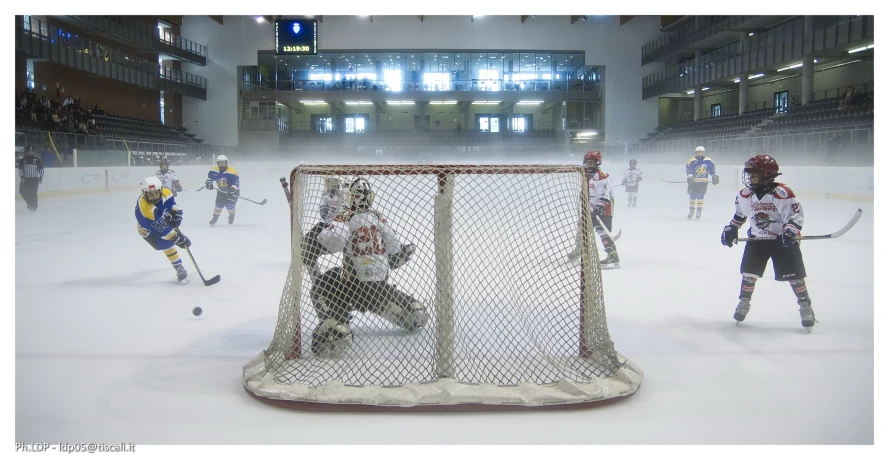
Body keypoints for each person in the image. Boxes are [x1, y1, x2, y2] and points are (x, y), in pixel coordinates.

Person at [300, 177, 427, 359]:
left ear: (351, 197)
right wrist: (399, 254)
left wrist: (315, 240)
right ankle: (410, 310)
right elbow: (393, 248)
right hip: (379, 286)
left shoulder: (346, 216)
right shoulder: (378, 217)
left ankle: (336, 327)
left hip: (354, 285)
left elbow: (333, 242)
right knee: (377, 292)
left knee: (324, 285)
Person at [720, 155, 816, 331]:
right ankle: (744, 302)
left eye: (754, 174)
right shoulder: (745, 195)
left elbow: (794, 218)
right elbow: (740, 215)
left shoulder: (781, 193)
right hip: (757, 240)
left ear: (766, 174)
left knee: (795, 277)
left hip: (782, 242)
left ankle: (805, 306)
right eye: (749, 174)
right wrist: (732, 228)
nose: (750, 178)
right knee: (748, 274)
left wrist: (789, 232)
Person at [135, 177, 191, 284]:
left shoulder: (166, 192)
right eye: (150, 194)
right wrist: (177, 238)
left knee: (167, 243)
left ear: (160, 190)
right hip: (147, 230)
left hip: (159, 218)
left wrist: (174, 213)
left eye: (156, 193)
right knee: (166, 243)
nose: (154, 196)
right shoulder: (146, 210)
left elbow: (171, 203)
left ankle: (178, 266)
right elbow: (162, 230)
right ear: (144, 193)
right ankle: (178, 266)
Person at [568, 151, 619, 268]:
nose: (589, 164)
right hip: (590, 208)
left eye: (591, 162)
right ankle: (578, 249)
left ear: (597, 162)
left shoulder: (601, 176)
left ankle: (613, 255)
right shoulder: (586, 174)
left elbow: (606, 195)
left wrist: (598, 206)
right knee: (582, 227)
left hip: (604, 209)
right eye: (587, 162)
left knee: (602, 232)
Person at [686, 146, 719, 220]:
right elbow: (689, 170)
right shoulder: (691, 160)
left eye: (700, 152)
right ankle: (691, 210)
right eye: (697, 152)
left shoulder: (708, 160)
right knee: (692, 196)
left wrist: (714, 175)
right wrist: (690, 176)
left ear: (703, 153)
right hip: (694, 182)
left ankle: (699, 210)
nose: (698, 154)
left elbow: (711, 170)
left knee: (700, 195)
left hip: (703, 182)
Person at [204, 155, 239, 225]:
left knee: (229, 204)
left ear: (226, 163)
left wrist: (232, 189)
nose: (221, 165)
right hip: (221, 190)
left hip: (233, 190)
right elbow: (210, 178)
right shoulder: (214, 170)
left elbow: (236, 182)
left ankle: (232, 214)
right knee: (218, 204)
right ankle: (215, 217)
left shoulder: (232, 172)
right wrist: (209, 183)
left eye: (223, 163)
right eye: (219, 163)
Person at [18, 146, 44, 211]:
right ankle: (30, 203)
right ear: (27, 152)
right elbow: (20, 170)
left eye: (31, 151)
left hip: (34, 179)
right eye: (29, 151)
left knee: (33, 192)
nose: (30, 152)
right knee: (22, 191)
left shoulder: (36, 160)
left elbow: (41, 169)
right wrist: (22, 177)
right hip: (25, 179)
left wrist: (40, 177)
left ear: (33, 152)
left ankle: (34, 206)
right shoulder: (23, 160)